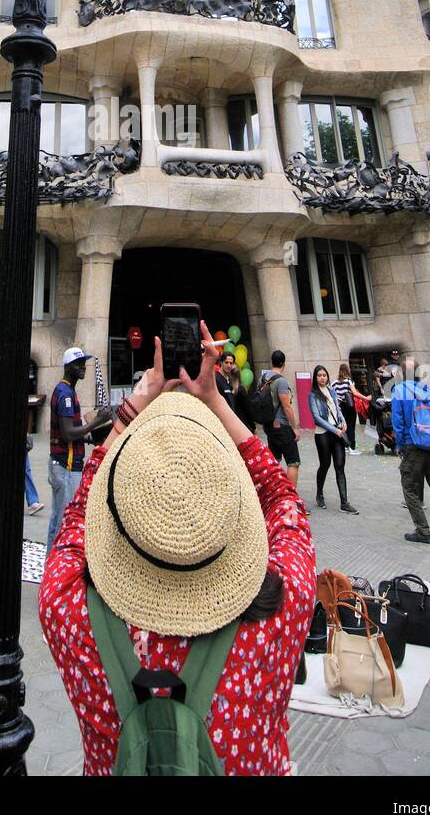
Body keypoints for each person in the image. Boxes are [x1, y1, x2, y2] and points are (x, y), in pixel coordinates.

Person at [38, 324, 317, 775]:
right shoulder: (283, 608)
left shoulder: (66, 608)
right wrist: (214, 399)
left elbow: (76, 515)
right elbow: (284, 499)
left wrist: (130, 411)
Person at [46, 346, 111, 555]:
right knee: (63, 521)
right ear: (67, 367)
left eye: (83, 363)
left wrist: (88, 437)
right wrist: (97, 422)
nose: (83, 368)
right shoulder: (65, 393)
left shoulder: (67, 390)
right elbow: (67, 434)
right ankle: (55, 568)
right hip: (65, 465)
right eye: (78, 364)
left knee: (58, 519)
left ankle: (51, 564)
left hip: (64, 463)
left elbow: (71, 432)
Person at [391, 358, 430, 545]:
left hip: (412, 444)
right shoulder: (427, 389)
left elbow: (398, 422)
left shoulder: (399, 391)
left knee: (409, 487)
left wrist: (399, 444)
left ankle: (423, 530)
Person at [309, 365, 358, 514]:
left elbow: (338, 409)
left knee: (339, 465)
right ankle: (319, 493)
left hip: (337, 433)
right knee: (325, 465)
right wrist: (334, 429)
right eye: (319, 375)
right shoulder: (313, 395)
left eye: (324, 375)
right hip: (323, 434)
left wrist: (343, 422)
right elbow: (317, 418)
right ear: (315, 378)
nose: (322, 377)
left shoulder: (331, 391)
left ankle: (344, 502)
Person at [261, 350, 300, 487]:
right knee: (293, 461)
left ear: (272, 361)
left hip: (269, 425)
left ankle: (275, 492)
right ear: (284, 363)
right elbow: (286, 406)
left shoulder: (264, 378)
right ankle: (290, 497)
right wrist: (295, 427)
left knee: (275, 460)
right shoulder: (281, 381)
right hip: (281, 425)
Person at [331, 363, 363, 454]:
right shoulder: (349, 381)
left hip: (340, 407)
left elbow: (332, 394)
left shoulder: (334, 383)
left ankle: (344, 445)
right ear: (347, 370)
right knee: (351, 427)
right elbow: (355, 393)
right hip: (349, 406)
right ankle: (352, 447)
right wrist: (365, 397)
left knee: (343, 426)